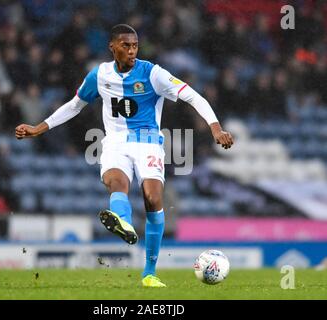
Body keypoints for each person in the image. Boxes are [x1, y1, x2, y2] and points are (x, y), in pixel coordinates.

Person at [15, 24, 234, 287]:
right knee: (115, 182)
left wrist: (216, 128)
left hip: (149, 143)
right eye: (126, 45)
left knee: (153, 199)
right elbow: (75, 105)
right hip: (115, 142)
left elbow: (193, 97)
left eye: (135, 46)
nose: (132, 51)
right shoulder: (99, 75)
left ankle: (149, 273)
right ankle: (124, 222)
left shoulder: (153, 74)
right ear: (112, 47)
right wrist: (39, 128)